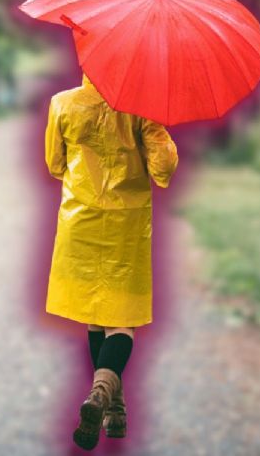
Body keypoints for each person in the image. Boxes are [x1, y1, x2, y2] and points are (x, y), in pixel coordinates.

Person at [44, 73, 178, 450]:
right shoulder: (143, 109)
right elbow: (164, 170)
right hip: (126, 225)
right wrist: (158, 128)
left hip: (80, 220)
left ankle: (114, 412)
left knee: (95, 312)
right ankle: (102, 395)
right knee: (122, 319)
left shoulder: (62, 103)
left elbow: (55, 164)